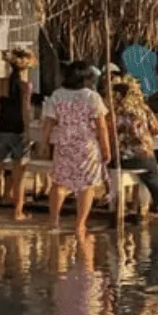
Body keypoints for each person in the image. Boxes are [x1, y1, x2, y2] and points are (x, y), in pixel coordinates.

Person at [41, 61, 111, 240]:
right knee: (86, 185)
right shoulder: (92, 97)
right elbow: (101, 126)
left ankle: (53, 220)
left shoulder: (57, 95)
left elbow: (48, 122)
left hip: (63, 142)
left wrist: (44, 143)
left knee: (59, 182)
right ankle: (80, 224)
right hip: (86, 144)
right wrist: (105, 148)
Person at [110, 78, 158, 226]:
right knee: (155, 180)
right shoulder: (143, 109)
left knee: (107, 167)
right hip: (144, 156)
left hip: (122, 158)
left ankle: (113, 207)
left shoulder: (113, 112)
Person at [0, 49, 35, 220]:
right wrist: (28, 130)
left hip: (2, 128)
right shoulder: (25, 85)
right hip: (18, 129)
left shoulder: (1, 83)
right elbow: (26, 111)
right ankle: (17, 211)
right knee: (19, 174)